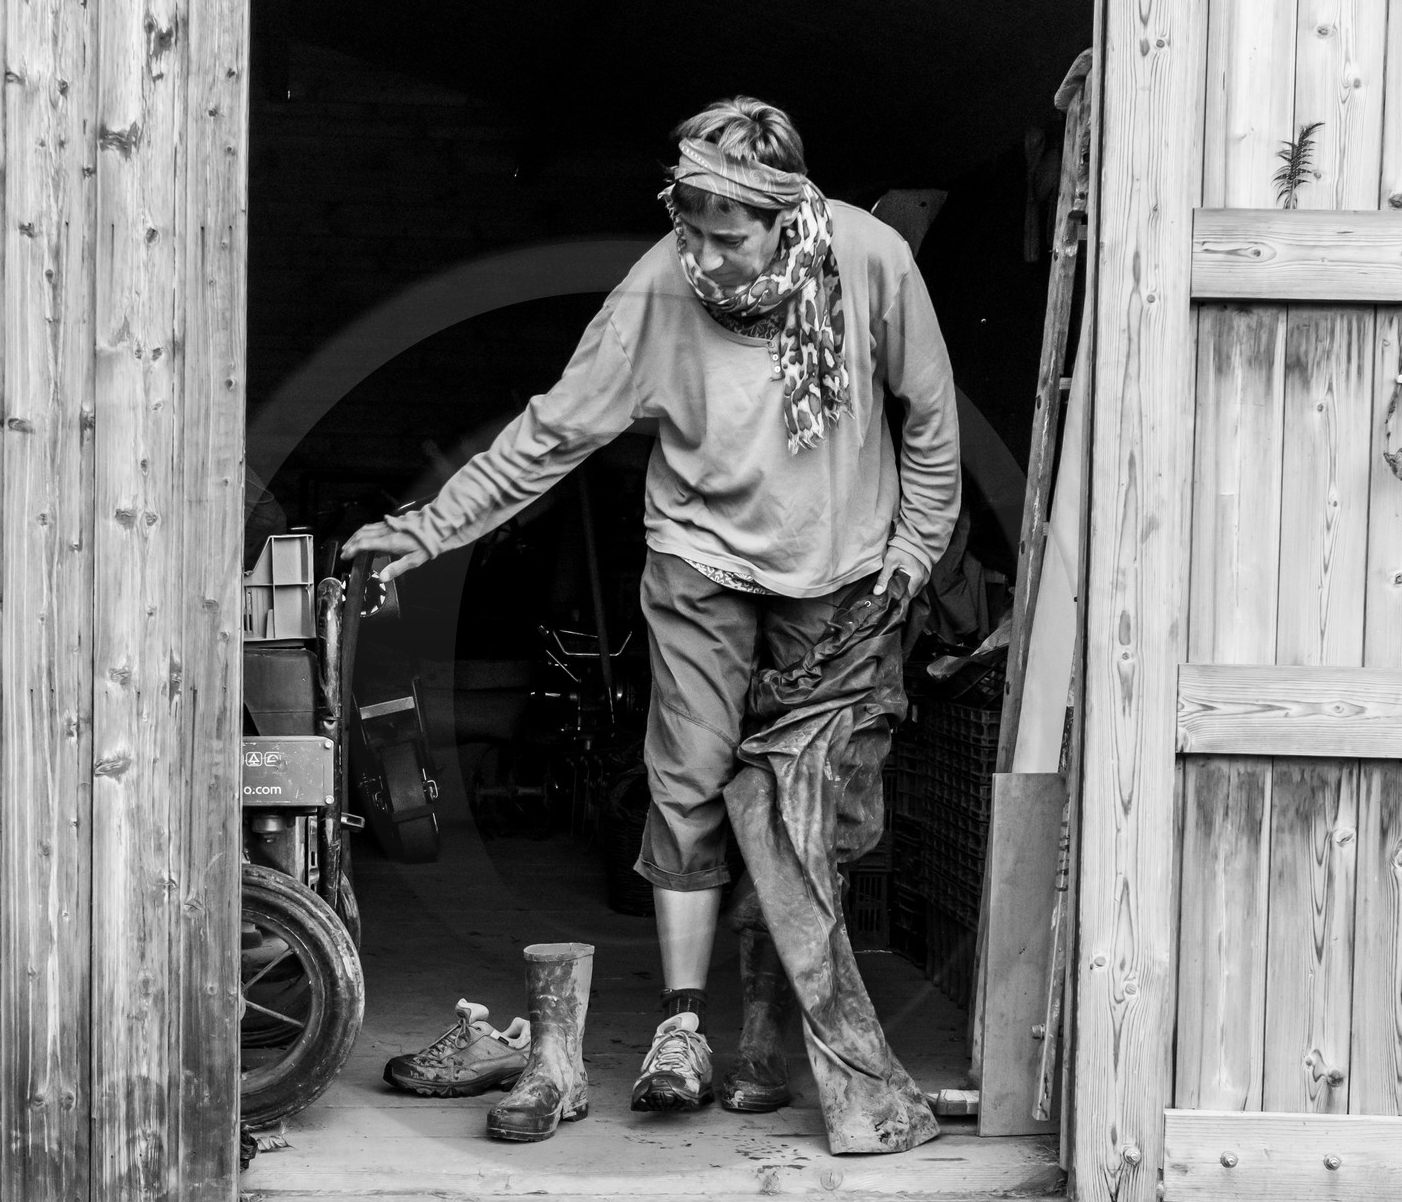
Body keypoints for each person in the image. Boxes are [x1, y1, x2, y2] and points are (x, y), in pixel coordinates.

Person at [344, 96, 960, 1134]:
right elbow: (551, 433)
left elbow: (931, 425)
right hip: (700, 560)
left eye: (729, 241)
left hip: (842, 573)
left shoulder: (871, 263)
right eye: (691, 231)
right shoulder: (657, 287)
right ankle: (682, 1026)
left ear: (784, 219)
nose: (707, 260)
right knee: (686, 786)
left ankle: (772, 1040)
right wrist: (427, 527)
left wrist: (910, 557)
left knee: (814, 816)